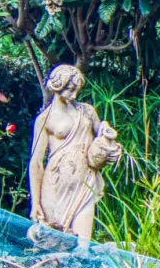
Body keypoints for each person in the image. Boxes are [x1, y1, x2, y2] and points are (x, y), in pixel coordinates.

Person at [27, 65, 120, 246]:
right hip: (55, 185)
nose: (74, 95)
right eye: (70, 90)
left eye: (77, 90)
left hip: (84, 181)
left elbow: (101, 135)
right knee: (54, 243)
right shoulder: (44, 119)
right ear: (57, 86)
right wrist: (35, 202)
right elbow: (36, 162)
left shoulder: (86, 111)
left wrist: (108, 137)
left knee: (83, 244)